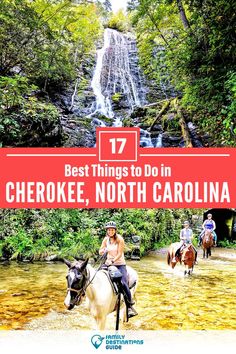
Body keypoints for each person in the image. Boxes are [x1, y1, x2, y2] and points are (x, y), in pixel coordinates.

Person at [99, 221, 138, 318]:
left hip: (119, 264)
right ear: (107, 231)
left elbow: (119, 254)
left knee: (124, 283)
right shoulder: (105, 240)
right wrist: (103, 251)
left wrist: (112, 261)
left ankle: (130, 306)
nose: (110, 231)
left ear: (115, 230)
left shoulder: (120, 239)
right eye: (109, 230)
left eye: (112, 230)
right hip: (108, 263)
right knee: (96, 276)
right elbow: (100, 251)